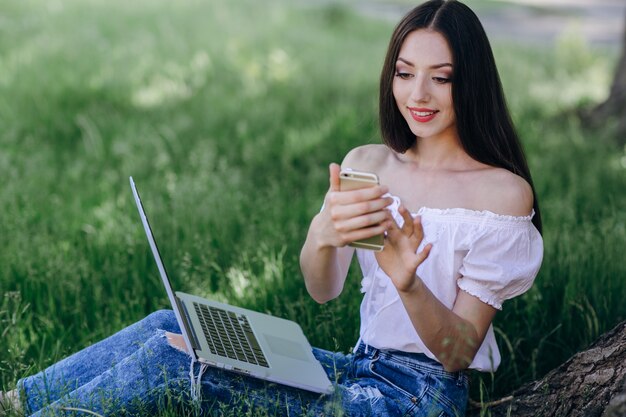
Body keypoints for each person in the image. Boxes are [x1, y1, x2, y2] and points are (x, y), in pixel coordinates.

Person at [1, 0, 543, 416]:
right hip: (361, 367)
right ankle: (17, 402)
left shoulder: (500, 195)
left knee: (172, 361)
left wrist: (409, 284)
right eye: (404, 73)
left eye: (441, 77)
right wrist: (323, 235)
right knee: (174, 324)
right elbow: (322, 289)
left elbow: (456, 353)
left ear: (470, 83)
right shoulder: (372, 163)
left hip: (418, 398)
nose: (418, 94)